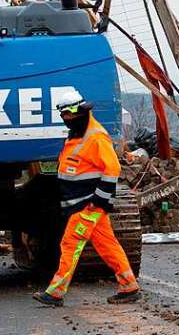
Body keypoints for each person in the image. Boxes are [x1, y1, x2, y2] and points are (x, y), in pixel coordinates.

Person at [32, 90, 140, 307]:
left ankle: (55, 292)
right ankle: (129, 286)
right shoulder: (77, 133)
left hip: (88, 204)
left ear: (81, 112)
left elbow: (112, 169)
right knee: (107, 244)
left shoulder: (95, 137)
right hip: (82, 202)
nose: (66, 120)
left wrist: (99, 201)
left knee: (70, 243)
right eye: (64, 116)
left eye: (69, 116)